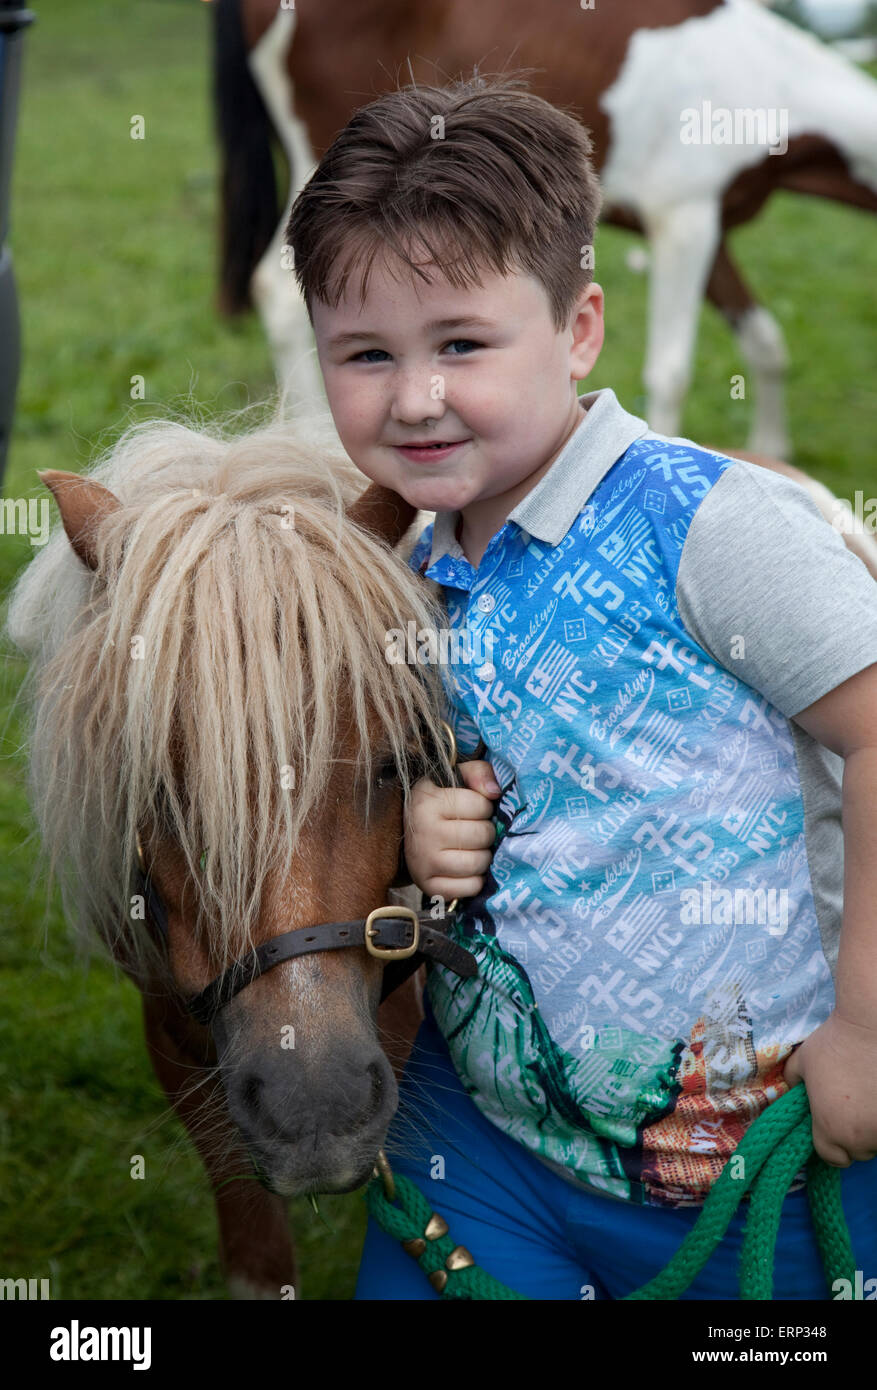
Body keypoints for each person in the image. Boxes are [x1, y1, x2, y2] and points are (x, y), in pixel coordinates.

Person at [285, 74, 877, 1299]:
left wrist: (868, 1033)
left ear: (579, 329)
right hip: (487, 1146)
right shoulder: (392, 572)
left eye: (461, 343)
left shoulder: (707, 525)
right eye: (365, 354)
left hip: (764, 1148)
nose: (415, 397)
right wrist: (424, 826)